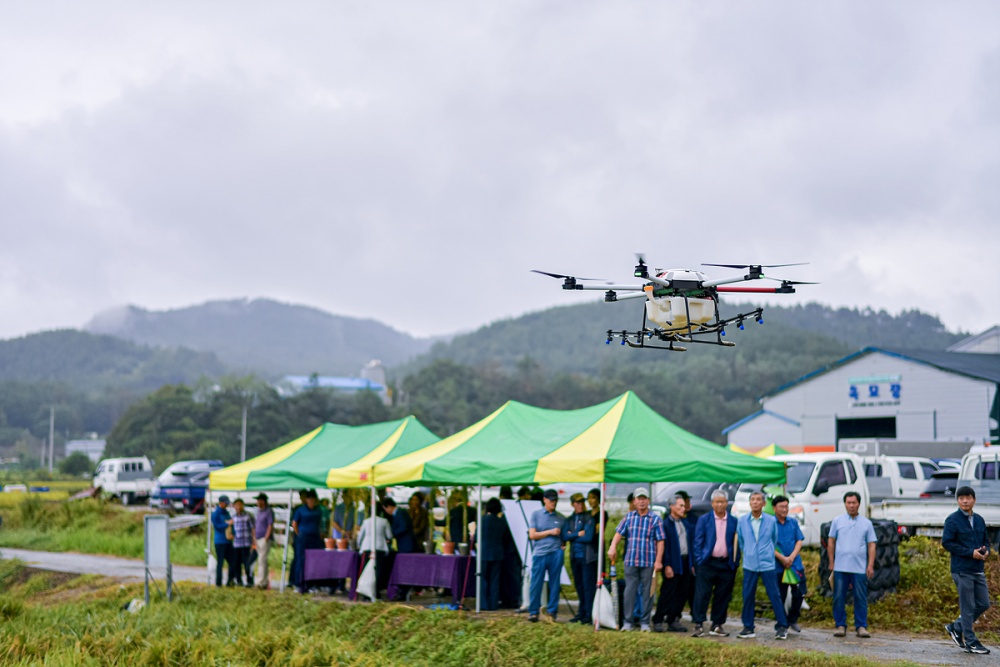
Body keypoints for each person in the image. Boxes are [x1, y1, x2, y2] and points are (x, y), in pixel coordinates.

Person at [942, 486, 992, 654]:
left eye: (968, 498)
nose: (965, 501)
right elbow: (947, 543)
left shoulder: (979, 519)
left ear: (974, 500)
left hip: (978, 568)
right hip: (961, 569)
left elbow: (986, 540)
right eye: (961, 498)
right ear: (957, 501)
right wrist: (971, 553)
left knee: (984, 603)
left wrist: (986, 551)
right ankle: (970, 641)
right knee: (968, 606)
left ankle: (956, 627)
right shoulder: (952, 520)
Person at [608, 487, 664, 632]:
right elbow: (618, 533)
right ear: (634, 501)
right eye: (639, 498)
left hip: (648, 561)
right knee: (629, 592)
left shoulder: (655, 519)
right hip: (631, 561)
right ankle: (628, 622)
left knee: (647, 593)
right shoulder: (629, 517)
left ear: (648, 501)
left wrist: (658, 560)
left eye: (644, 498)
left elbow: (660, 541)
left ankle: (645, 623)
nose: (641, 501)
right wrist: (613, 546)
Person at [736, 491, 789, 640]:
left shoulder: (771, 520)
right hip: (750, 563)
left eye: (758, 500)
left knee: (774, 595)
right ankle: (748, 627)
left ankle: (782, 626)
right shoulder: (742, 521)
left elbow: (774, 539)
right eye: (752, 499)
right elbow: (741, 541)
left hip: (767, 563)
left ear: (764, 503)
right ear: (749, 503)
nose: (755, 502)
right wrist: (749, 552)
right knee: (747, 595)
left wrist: (766, 552)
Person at [691, 490, 740, 638]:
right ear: (712, 504)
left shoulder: (733, 521)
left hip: (726, 564)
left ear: (727, 503)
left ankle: (717, 624)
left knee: (722, 595)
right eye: (717, 502)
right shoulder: (704, 520)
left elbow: (737, 543)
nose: (720, 504)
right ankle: (699, 624)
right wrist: (699, 560)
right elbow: (698, 542)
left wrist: (735, 562)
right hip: (707, 563)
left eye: (722, 502)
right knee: (702, 594)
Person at [828, 491, 876, 638]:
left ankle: (861, 626)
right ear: (845, 504)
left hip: (859, 568)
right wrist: (831, 562)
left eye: (854, 503)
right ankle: (840, 625)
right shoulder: (837, 521)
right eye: (848, 503)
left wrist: (870, 565)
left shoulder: (866, 523)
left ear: (859, 504)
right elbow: (831, 541)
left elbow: (871, 544)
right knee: (838, 597)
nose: (851, 505)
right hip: (841, 567)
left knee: (860, 598)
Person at [652, 494, 694, 633]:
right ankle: (658, 619)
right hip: (672, 562)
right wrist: (667, 564)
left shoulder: (684, 523)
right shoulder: (665, 524)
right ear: (672, 507)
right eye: (680, 506)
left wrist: (692, 563)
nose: (683, 508)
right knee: (668, 592)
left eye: (684, 505)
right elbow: (664, 546)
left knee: (682, 592)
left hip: (685, 561)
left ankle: (673, 619)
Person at [527, 488, 565, 622]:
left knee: (555, 584)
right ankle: (533, 611)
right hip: (540, 553)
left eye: (555, 501)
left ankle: (552, 612)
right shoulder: (536, 515)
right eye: (551, 501)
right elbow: (532, 535)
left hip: (555, 553)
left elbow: (564, 535)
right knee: (536, 583)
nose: (553, 503)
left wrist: (563, 545)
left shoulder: (561, 517)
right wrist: (549, 532)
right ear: (544, 500)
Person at [773, 495, 805, 632]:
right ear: (774, 508)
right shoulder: (770, 524)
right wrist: (782, 559)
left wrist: (791, 557)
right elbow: (768, 545)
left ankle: (792, 619)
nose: (784, 509)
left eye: (786, 506)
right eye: (781, 506)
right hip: (778, 566)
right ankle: (782, 622)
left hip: (795, 564)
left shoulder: (793, 522)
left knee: (800, 593)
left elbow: (799, 540)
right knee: (780, 595)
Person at [562, 493, 596, 624]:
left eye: (582, 502)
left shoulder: (589, 518)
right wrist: (578, 534)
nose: (580, 504)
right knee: (579, 585)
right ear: (572, 504)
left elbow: (588, 537)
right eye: (577, 502)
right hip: (574, 556)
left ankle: (588, 613)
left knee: (588, 586)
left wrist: (572, 535)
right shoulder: (569, 519)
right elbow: (564, 536)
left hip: (587, 557)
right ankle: (581, 612)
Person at [291, 489, 325, 593]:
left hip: (315, 537)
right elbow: (294, 523)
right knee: (301, 560)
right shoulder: (300, 510)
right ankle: (298, 583)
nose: (312, 501)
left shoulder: (318, 510)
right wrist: (298, 533)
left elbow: (321, 523)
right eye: (310, 499)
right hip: (303, 538)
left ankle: (312, 584)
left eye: (314, 499)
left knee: (313, 560)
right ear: (307, 500)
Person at [357, 506, 394, 599]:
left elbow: (360, 536)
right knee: (378, 572)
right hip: (380, 548)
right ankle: (376, 592)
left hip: (367, 548)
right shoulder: (384, 521)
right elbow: (389, 535)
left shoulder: (366, 521)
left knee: (366, 570)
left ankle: (366, 594)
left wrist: (358, 546)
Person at [480, 497, 508, 610]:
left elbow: (477, 536)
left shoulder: (482, 520)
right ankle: (494, 604)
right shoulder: (501, 522)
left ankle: (483, 604)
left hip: (484, 552)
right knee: (495, 580)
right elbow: (504, 537)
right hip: (498, 552)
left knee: (483, 579)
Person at [231, 498, 256, 587]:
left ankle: (250, 581)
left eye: (240, 505)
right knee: (237, 563)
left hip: (246, 543)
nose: (238, 507)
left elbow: (253, 529)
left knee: (247, 563)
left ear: (243, 505)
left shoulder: (248, 516)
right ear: (234, 506)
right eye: (236, 505)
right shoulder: (233, 517)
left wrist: (254, 541)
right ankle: (239, 581)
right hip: (236, 544)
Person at [211, 495, 235, 587]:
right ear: (221, 503)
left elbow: (231, 525)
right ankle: (218, 583)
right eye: (225, 503)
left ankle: (230, 581)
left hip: (228, 541)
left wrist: (233, 533)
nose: (226, 505)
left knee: (232, 562)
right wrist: (227, 524)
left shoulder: (227, 513)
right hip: (220, 542)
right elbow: (217, 527)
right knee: (220, 563)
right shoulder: (215, 514)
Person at [254, 493, 274, 590]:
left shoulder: (268, 511)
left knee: (262, 560)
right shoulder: (259, 511)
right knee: (262, 561)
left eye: (259, 500)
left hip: (264, 538)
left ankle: (260, 582)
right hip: (258, 538)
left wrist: (266, 537)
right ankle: (264, 581)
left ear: (263, 501)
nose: (257, 502)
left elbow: (270, 524)